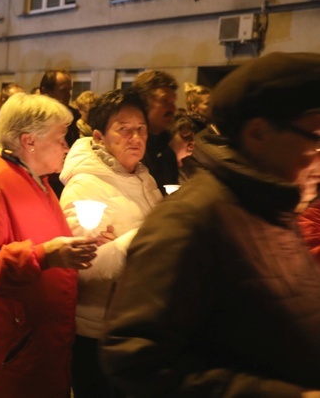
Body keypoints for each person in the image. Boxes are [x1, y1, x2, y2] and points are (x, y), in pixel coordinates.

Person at [101, 52, 320, 395]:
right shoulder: (192, 219)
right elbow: (137, 358)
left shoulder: (274, 207)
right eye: (316, 136)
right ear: (258, 134)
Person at [0, 92, 98, 397]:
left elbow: (39, 234)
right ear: (29, 141)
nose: (66, 147)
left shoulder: (35, 178)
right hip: (2, 360)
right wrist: (43, 256)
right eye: (60, 138)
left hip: (29, 353)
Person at [59, 89, 162, 398]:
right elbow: (79, 268)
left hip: (135, 324)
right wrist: (144, 239)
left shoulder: (144, 178)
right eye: (123, 128)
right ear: (99, 136)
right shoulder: (84, 186)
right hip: (97, 332)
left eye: (141, 128)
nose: (135, 137)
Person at [132, 69, 179, 195]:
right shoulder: (130, 147)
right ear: (143, 104)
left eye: (173, 102)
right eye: (165, 101)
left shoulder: (168, 149)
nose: (172, 108)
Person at [40, 69, 80, 196]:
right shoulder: (36, 119)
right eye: (63, 90)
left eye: (70, 90)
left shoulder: (73, 116)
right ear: (46, 92)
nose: (68, 95)